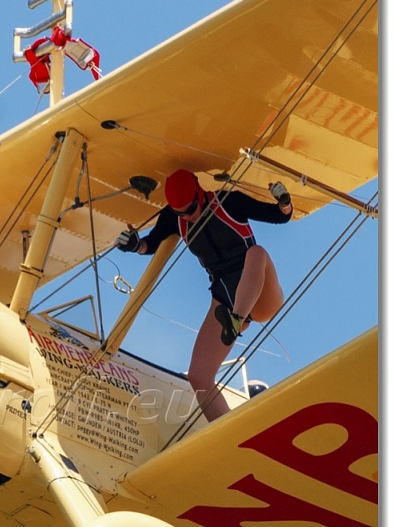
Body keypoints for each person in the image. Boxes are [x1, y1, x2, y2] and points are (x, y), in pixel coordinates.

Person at [116, 168, 293, 422]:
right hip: (224, 297)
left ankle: (235, 319)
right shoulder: (173, 218)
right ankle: (228, 436)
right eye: (182, 213)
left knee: (257, 253)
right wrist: (133, 244)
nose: (190, 216)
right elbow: (149, 244)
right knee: (198, 377)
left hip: (258, 288)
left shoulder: (228, 202)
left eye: (192, 208)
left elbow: (279, 216)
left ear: (201, 194)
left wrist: (284, 202)